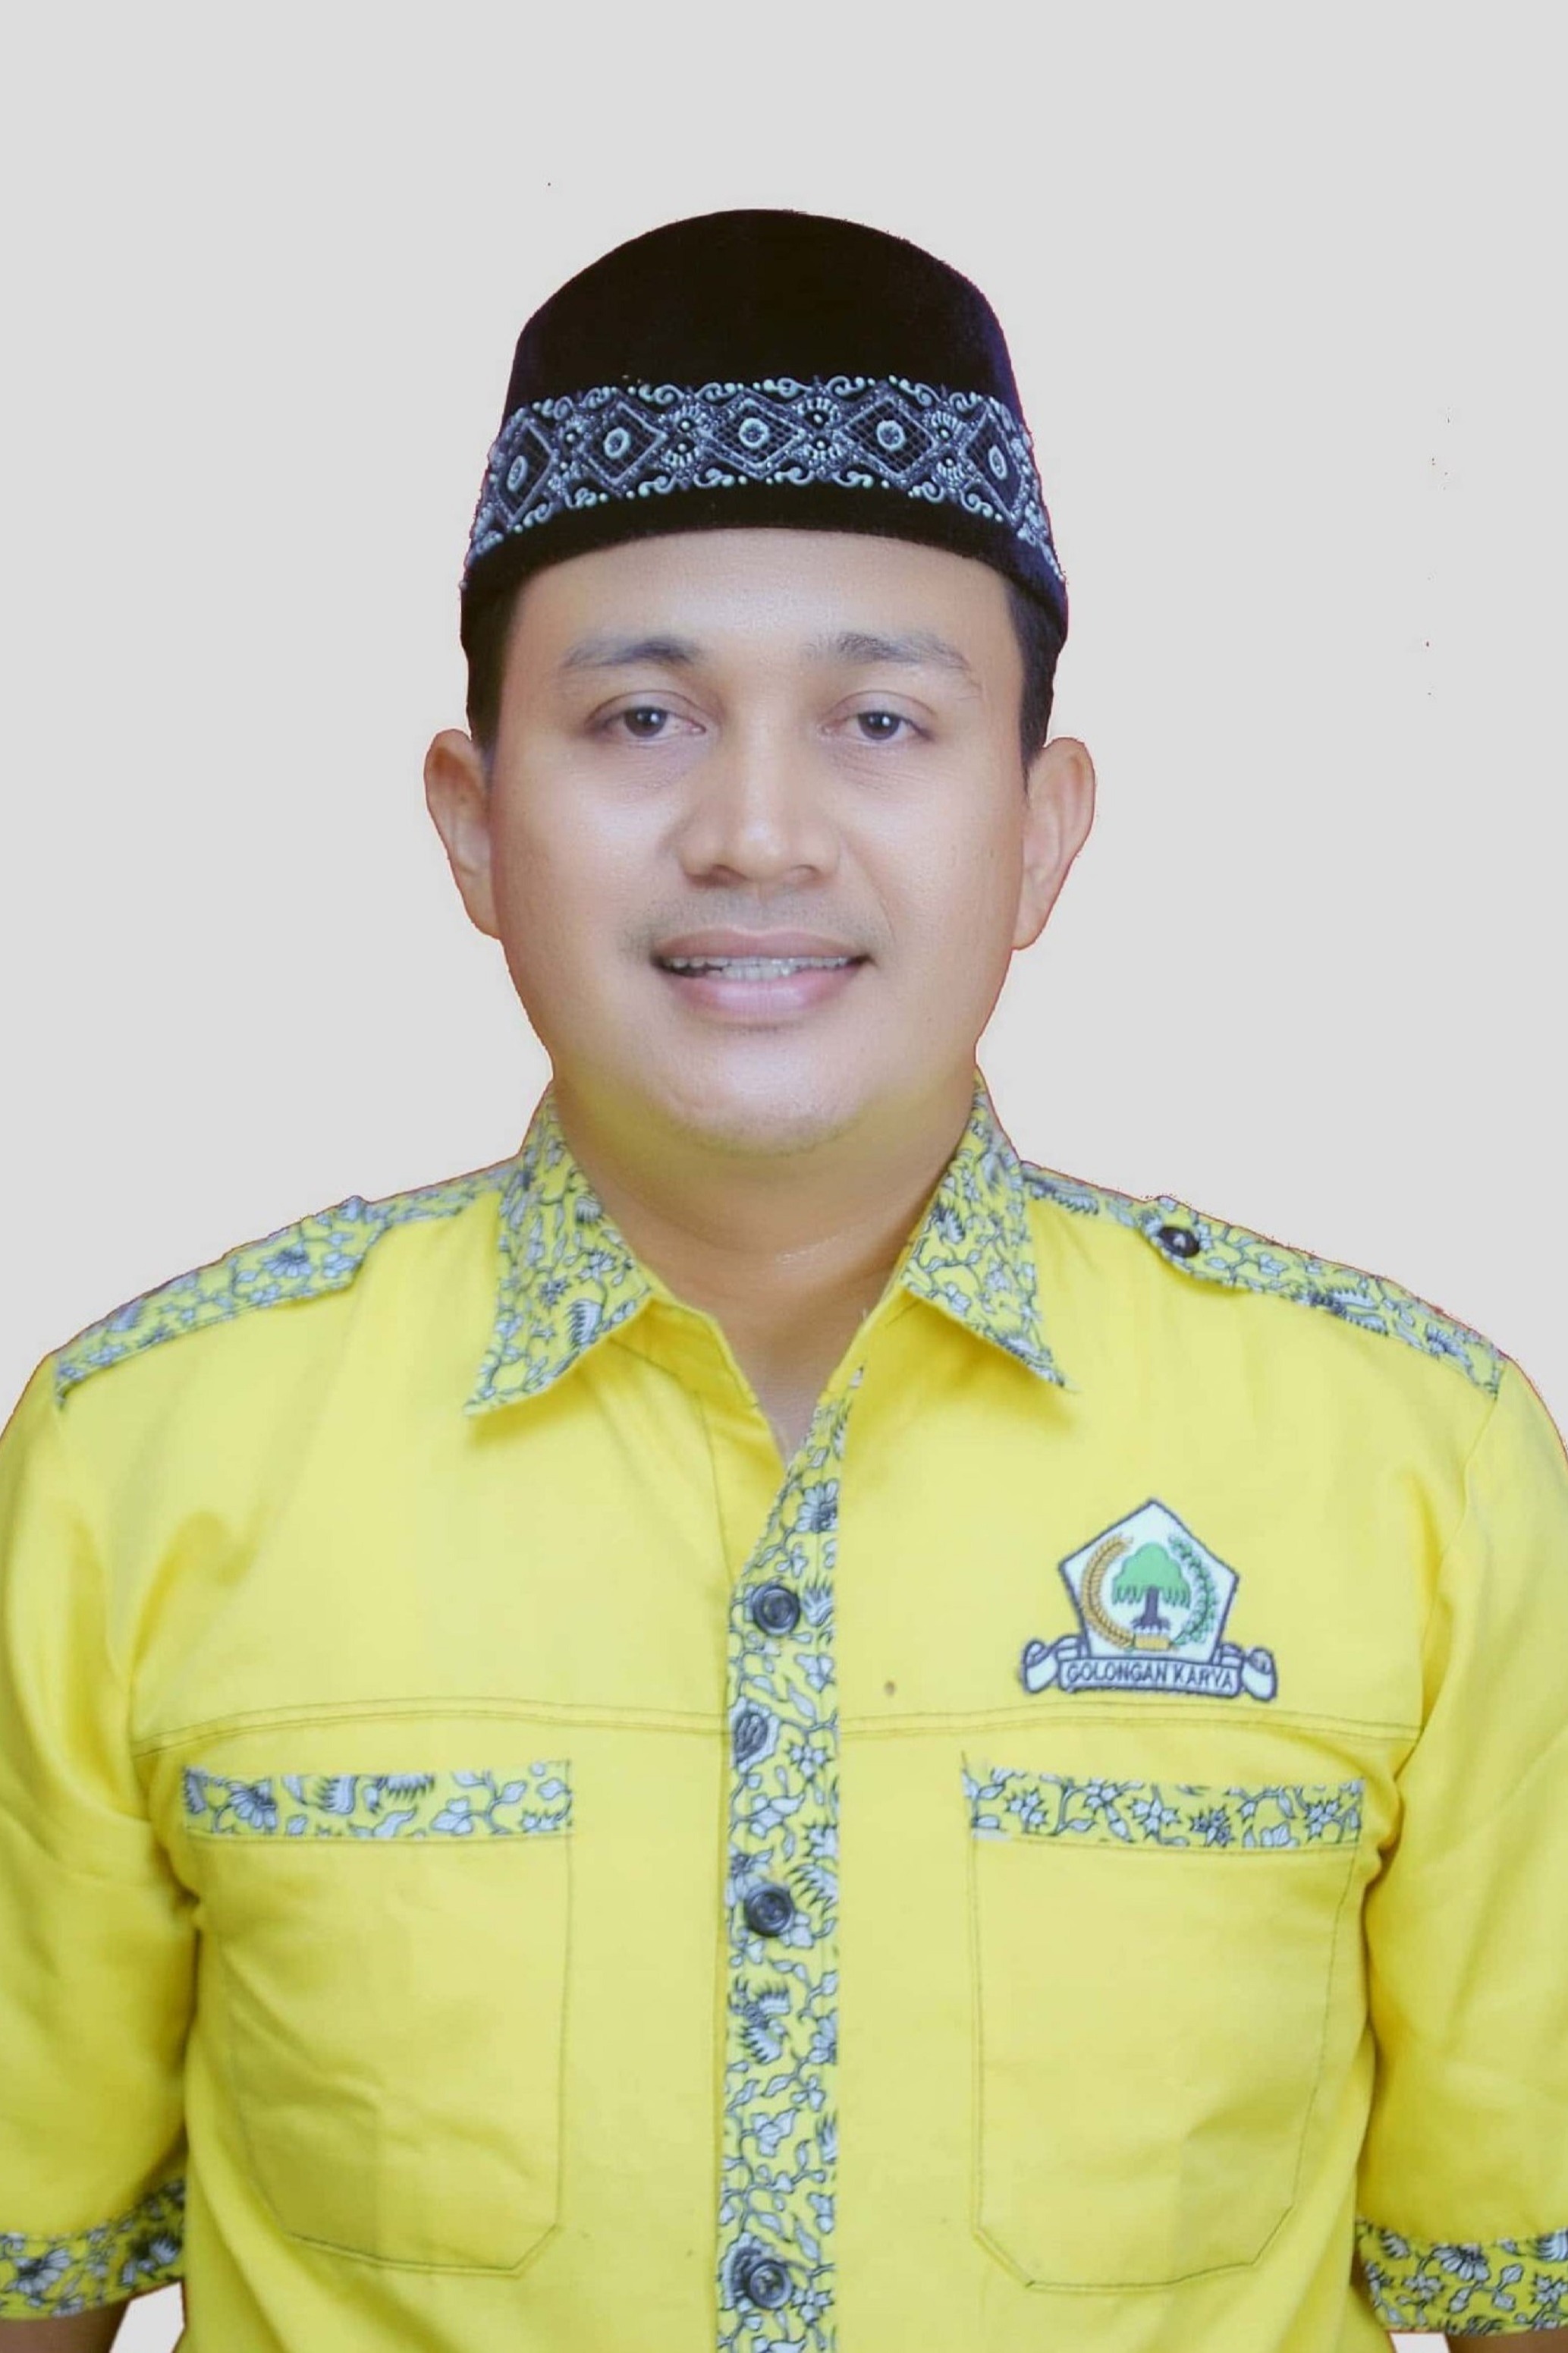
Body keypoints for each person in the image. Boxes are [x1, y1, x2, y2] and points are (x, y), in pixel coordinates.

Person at [1, 206, 1564, 2353]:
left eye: (882, 722)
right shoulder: (142, 1464)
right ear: (473, 821)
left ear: (1041, 827)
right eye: (641, 716)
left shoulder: (1414, 1471)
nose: (754, 831)